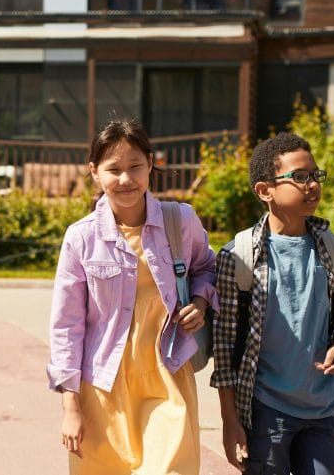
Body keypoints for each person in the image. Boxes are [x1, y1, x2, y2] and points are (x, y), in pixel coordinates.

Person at [47, 119, 218, 474]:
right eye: (114, 169)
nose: (126, 179)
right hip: (102, 388)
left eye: (135, 166)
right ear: (95, 172)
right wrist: (71, 408)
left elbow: (207, 267)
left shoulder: (180, 220)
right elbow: (67, 326)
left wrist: (199, 303)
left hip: (167, 374)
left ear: (150, 163)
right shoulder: (80, 238)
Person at [212, 132, 334, 475]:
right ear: (265, 191)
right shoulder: (239, 257)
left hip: (325, 409)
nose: (311, 185)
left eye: (314, 175)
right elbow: (224, 348)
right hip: (266, 411)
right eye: (299, 177)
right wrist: (229, 420)